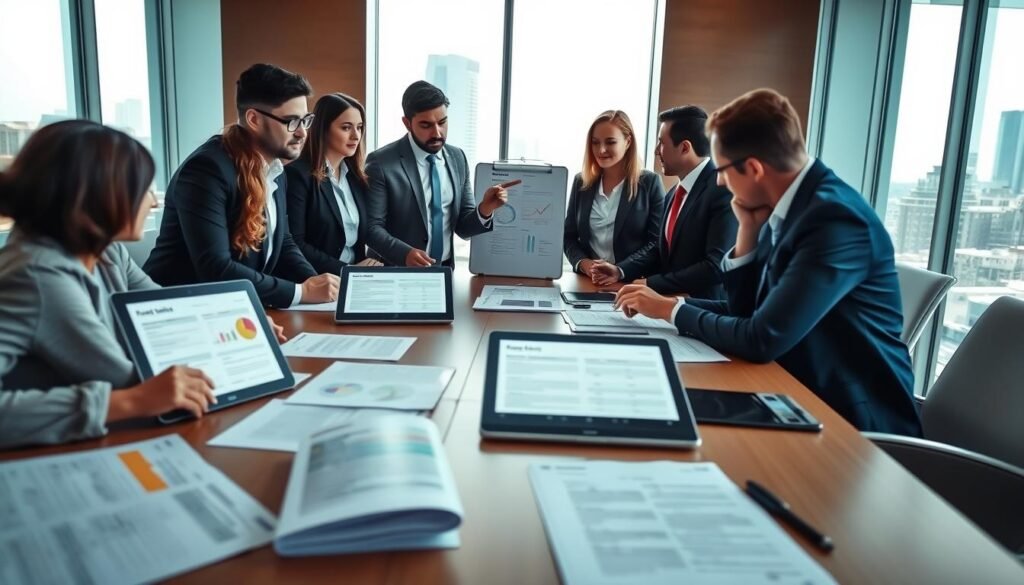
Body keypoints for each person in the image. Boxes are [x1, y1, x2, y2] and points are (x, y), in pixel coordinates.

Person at [615, 89, 922, 436]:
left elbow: (761, 338)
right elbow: (748, 310)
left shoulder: (833, 220)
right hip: (797, 392)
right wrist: (746, 231)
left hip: (853, 421)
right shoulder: (792, 207)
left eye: (722, 168)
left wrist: (670, 312)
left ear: (754, 168)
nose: (717, 180)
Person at [0, 121, 280, 449]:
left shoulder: (106, 251)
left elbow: (166, 308)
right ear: (96, 195)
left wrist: (239, 327)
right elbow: (128, 385)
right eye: (144, 189)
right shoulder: (34, 275)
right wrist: (130, 401)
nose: (155, 202)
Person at [144, 63, 338, 307]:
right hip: (178, 315)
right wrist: (301, 292)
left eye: (305, 120)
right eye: (291, 121)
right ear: (254, 119)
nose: (302, 133)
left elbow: (284, 241)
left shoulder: (275, 169)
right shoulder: (207, 170)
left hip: (231, 311)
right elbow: (216, 268)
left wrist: (315, 282)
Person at [364, 80, 517, 267]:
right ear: (407, 123)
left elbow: (463, 228)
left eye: (442, 122)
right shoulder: (381, 163)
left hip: (444, 270)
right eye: (426, 125)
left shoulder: (457, 157)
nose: (437, 133)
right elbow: (371, 229)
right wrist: (405, 254)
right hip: (395, 274)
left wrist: (485, 209)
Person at [589, 106, 736, 298]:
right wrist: (620, 271)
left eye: (661, 143)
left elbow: (716, 266)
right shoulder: (675, 192)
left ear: (684, 148)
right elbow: (659, 250)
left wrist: (651, 283)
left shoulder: (722, 189)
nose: (657, 151)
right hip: (669, 308)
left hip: (704, 314)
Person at [286, 92, 382, 275]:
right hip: (315, 282)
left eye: (359, 127)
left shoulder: (356, 178)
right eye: (346, 128)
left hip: (354, 282)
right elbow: (295, 243)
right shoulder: (297, 175)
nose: (356, 136)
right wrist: (347, 270)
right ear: (323, 129)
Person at [563, 110, 665, 283]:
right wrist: (584, 264)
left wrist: (620, 270)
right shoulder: (582, 182)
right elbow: (569, 236)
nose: (601, 150)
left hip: (632, 283)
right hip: (589, 283)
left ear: (628, 142)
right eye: (595, 143)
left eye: (610, 142)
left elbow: (656, 242)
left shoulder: (649, 183)